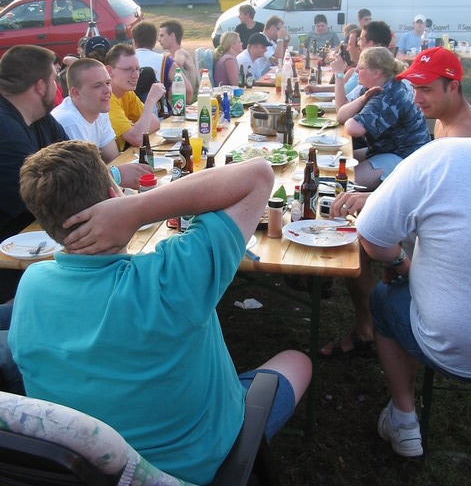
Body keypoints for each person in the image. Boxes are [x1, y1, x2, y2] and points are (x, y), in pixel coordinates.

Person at [10, 140, 312, 484]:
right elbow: (258, 175)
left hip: (85, 468)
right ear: (114, 196)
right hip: (195, 468)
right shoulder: (171, 279)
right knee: (297, 361)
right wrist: (137, 209)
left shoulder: (31, 285)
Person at [321, 45, 471, 360]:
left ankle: (368, 328)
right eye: (414, 87)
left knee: (357, 239)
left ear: (453, 87)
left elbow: (450, 211)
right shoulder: (446, 120)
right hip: (433, 224)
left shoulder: (466, 139)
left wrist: (398, 257)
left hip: (452, 259)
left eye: (425, 89)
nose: (416, 98)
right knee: (360, 227)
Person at [354, 137, 471, 457]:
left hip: (453, 347)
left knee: (383, 299)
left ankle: (404, 420)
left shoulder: (441, 157)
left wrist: (400, 263)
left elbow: (370, 234)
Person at [0, 45, 68, 244]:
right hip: (12, 248)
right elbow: (46, 198)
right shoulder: (5, 130)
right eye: (54, 79)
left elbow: (80, 160)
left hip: (37, 234)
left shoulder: (40, 116)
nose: (57, 87)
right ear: (40, 86)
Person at [337, 46, 430, 191]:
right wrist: (362, 99)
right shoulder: (371, 88)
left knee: (343, 183)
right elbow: (341, 115)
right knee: (336, 162)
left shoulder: (390, 94)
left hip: (406, 157)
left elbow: (353, 129)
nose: (356, 71)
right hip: (385, 149)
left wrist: (354, 117)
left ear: (376, 72)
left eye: (361, 68)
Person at [51, 58, 153, 189]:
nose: (107, 90)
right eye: (97, 85)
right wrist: (117, 175)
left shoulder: (99, 109)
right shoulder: (68, 121)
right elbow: (82, 181)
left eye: (108, 83)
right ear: (76, 93)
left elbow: (113, 158)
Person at [104, 43, 164, 150]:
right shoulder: (106, 98)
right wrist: (151, 100)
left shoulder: (126, 93)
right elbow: (138, 139)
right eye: (128, 69)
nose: (136, 75)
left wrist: (134, 129)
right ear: (109, 71)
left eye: (137, 69)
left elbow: (155, 123)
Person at [132, 21, 193, 110]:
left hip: (128, 116)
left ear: (134, 41)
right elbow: (187, 91)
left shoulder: (122, 61)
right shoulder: (165, 61)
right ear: (154, 41)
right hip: (160, 116)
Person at [158, 20, 197, 95]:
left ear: (172, 36)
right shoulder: (167, 55)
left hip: (184, 98)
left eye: (162, 36)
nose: (159, 40)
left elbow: (177, 63)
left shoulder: (181, 53)